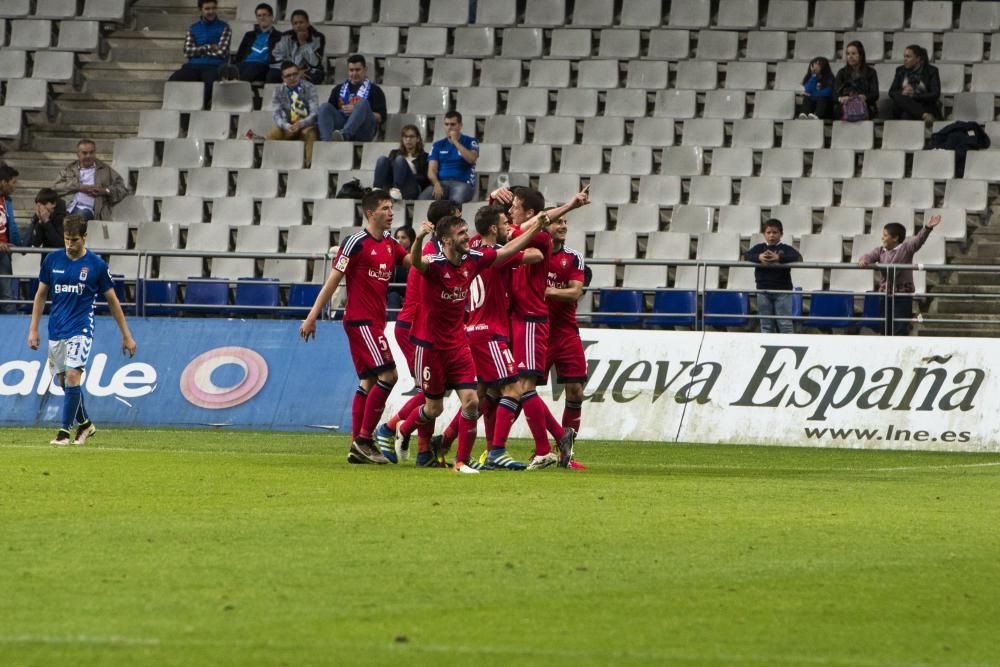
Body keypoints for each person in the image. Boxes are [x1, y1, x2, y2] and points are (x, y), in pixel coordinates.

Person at [399, 206, 566, 474]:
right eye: (461, 233)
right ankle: (404, 428)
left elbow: (507, 251)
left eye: (467, 231)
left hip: (462, 340)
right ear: (447, 240)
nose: (467, 236)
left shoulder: (475, 257)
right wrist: (418, 239)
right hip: (449, 340)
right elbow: (416, 262)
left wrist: (535, 227)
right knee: (436, 407)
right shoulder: (436, 263)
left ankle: (463, 459)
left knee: (477, 398)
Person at [299, 190, 410, 465]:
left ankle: (356, 445)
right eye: (385, 208)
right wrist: (313, 315)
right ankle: (364, 440)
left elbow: (412, 263)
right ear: (371, 213)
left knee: (368, 381)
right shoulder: (355, 243)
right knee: (390, 375)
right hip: (360, 321)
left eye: (391, 207)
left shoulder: (389, 243)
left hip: (375, 323)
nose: (391, 213)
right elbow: (334, 280)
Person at [490, 185, 590, 470]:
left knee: (523, 387)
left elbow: (539, 222)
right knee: (512, 388)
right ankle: (513, 447)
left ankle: (546, 447)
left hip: (535, 321)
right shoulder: (522, 233)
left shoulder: (539, 238)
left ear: (530, 213)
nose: (511, 212)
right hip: (519, 321)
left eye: (516, 207)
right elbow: (496, 227)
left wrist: (569, 204)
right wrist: (494, 200)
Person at [27, 215, 138, 446]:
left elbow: (113, 302)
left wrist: (126, 335)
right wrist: (33, 329)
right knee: (63, 382)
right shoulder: (52, 260)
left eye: (74, 240)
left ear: (84, 237)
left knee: (72, 376)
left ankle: (64, 432)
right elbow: (40, 295)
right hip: (56, 329)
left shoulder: (97, 265)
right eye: (67, 239)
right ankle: (86, 425)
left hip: (81, 328)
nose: (70, 244)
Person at [374, 200, 456, 467]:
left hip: (423, 328)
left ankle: (422, 452)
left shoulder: (440, 249)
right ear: (445, 226)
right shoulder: (431, 253)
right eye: (457, 221)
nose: (462, 228)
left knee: (432, 391)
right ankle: (391, 428)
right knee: (431, 392)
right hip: (415, 328)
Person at [544, 213, 589, 468]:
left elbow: (575, 292)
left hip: (566, 332)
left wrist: (549, 291)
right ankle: (499, 447)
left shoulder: (573, 257)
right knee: (520, 392)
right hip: (537, 331)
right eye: (557, 222)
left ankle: (566, 454)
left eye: (565, 223)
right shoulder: (534, 255)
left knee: (576, 391)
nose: (562, 226)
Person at [858, 216, 940, 336]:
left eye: (885, 235)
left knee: (900, 326)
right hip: (885, 295)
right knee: (885, 324)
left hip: (902, 295)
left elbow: (918, 240)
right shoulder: (880, 250)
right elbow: (869, 256)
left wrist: (927, 228)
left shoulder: (906, 248)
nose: (882, 237)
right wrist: (864, 260)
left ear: (895, 238)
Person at [168, 0, 231, 110]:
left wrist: (197, 50)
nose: (211, 11)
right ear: (200, 10)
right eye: (207, 9)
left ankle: (197, 114)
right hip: (193, 66)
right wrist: (209, 47)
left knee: (209, 85)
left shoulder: (225, 27)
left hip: (214, 66)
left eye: (213, 8)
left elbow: (222, 52)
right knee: (173, 81)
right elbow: (187, 51)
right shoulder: (193, 28)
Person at [745, 219, 803, 334]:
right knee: (765, 324)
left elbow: (798, 258)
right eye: (768, 232)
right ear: (764, 234)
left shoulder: (785, 249)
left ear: (781, 234)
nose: (771, 235)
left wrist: (779, 258)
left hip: (783, 291)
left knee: (785, 324)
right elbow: (745, 256)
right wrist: (758, 257)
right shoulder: (759, 248)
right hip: (763, 290)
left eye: (775, 232)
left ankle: (788, 347)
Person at [52, 139, 130, 221]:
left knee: (76, 220)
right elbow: (54, 187)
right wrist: (79, 187)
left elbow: (122, 188)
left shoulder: (104, 169)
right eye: (85, 153)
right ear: (78, 154)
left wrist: (104, 190)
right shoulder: (69, 169)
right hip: (66, 206)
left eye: (91, 152)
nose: (88, 156)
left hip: (88, 209)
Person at [317, 54, 386, 143]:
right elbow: (331, 113)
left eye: (358, 70)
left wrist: (358, 111)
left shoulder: (375, 90)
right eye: (351, 70)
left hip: (364, 130)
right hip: (342, 124)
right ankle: (327, 142)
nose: (354, 73)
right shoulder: (337, 89)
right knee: (324, 107)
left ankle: (344, 135)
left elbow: (381, 118)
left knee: (363, 104)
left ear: (365, 70)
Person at [265, 61, 320, 167]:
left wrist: (301, 124)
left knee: (310, 134)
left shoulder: (310, 88)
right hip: (288, 126)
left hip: (307, 125)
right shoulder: (278, 91)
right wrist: (286, 126)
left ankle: (309, 166)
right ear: (283, 78)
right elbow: (276, 115)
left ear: (299, 73)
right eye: (288, 76)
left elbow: (315, 113)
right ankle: (274, 165)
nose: (292, 78)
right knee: (271, 135)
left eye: (295, 74)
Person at [421, 111, 479, 204]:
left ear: (460, 125)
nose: (449, 127)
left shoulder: (470, 141)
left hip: (463, 184)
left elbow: (472, 159)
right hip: (442, 183)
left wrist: (455, 142)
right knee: (422, 199)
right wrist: (436, 184)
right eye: (446, 124)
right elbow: (431, 170)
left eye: (453, 124)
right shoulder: (438, 145)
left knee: (454, 203)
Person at [373, 125, 430, 201]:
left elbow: (425, 179)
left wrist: (407, 172)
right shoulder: (394, 153)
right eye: (405, 137)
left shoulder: (424, 156)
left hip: (411, 187)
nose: (408, 139)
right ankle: (377, 190)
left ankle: (397, 190)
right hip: (392, 186)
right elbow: (389, 172)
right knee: (382, 159)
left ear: (418, 139)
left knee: (400, 159)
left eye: (411, 137)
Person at [267, 9, 324, 85]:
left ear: (307, 23)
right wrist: (293, 71)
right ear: (292, 25)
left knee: (316, 76)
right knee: (272, 75)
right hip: (287, 68)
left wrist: (303, 43)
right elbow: (276, 58)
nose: (298, 25)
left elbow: (315, 63)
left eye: (301, 22)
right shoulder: (285, 37)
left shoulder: (318, 37)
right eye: (295, 23)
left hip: (308, 70)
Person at [888, 44, 941, 123]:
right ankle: (924, 115)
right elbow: (892, 92)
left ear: (918, 59)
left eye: (908, 57)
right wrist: (903, 92)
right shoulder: (900, 70)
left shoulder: (931, 71)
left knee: (906, 115)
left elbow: (935, 93)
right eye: (904, 56)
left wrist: (914, 95)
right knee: (898, 97)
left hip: (924, 104)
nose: (905, 59)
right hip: (905, 105)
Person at [231, 2, 280, 83]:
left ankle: (237, 89)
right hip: (245, 65)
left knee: (251, 68)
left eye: (265, 15)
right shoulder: (249, 35)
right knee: (227, 69)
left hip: (263, 66)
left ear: (271, 17)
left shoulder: (278, 36)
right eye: (259, 15)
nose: (262, 18)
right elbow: (240, 54)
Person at [834, 41, 879, 120]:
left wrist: (865, 97)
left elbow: (875, 94)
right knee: (836, 110)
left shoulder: (871, 72)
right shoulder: (841, 72)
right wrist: (841, 98)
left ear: (861, 55)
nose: (850, 56)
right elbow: (834, 93)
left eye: (853, 53)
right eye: (848, 54)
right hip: (845, 105)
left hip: (864, 105)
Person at [0, 164, 22, 314]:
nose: (15, 186)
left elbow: (11, 226)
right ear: (3, 182)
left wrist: (19, 245)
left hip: (4, 253)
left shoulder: (7, 201)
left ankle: (12, 333)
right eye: (13, 182)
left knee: (7, 294)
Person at [386, 225, 414, 316]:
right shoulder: (390, 258)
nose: (400, 240)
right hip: (394, 295)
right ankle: (391, 326)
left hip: (412, 295)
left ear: (411, 239)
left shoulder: (416, 259)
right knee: (393, 296)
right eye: (397, 237)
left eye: (403, 237)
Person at [29, 188, 67, 252]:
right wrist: (40, 222)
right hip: (46, 258)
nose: (41, 208)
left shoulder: (63, 218)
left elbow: (60, 244)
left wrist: (47, 222)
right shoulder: (39, 217)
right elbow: (36, 243)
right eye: (39, 205)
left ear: (53, 204)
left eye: (44, 204)